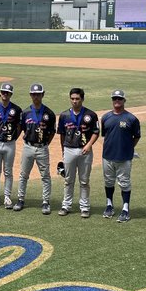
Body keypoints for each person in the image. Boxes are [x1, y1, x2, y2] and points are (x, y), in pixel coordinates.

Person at [57, 87, 100, 218]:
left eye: (77, 99)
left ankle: (85, 207)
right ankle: (66, 205)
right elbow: (62, 134)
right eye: (72, 99)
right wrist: (63, 150)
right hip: (69, 149)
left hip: (85, 151)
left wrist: (89, 144)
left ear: (82, 99)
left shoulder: (91, 115)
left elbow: (96, 132)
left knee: (84, 181)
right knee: (68, 180)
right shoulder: (64, 115)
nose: (74, 101)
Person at [13, 84, 56, 214]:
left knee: (45, 176)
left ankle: (46, 202)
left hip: (42, 148)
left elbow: (52, 132)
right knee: (23, 175)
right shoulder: (25, 112)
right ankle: (20, 199)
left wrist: (45, 144)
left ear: (43, 95)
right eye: (33, 94)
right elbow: (21, 129)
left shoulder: (49, 113)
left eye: (38, 94)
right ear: (30, 95)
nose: (36, 96)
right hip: (28, 147)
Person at [100, 89, 141, 222]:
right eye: (114, 98)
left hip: (124, 157)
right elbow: (105, 135)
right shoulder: (105, 117)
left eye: (119, 98)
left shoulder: (131, 119)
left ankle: (125, 209)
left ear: (124, 100)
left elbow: (136, 136)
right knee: (108, 181)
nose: (117, 101)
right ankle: (109, 205)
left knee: (124, 183)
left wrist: (128, 148)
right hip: (107, 156)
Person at [0, 83, 22, 209]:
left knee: (8, 171)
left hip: (10, 144)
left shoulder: (16, 109)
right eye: (3, 92)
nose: (5, 94)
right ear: (0, 93)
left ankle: (7, 197)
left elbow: (19, 126)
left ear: (11, 94)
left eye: (7, 93)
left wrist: (14, 137)